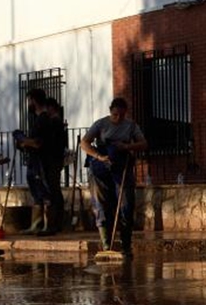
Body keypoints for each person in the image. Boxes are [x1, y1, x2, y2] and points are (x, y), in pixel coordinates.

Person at [80, 97, 148, 256]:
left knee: (125, 204)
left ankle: (126, 245)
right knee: (100, 204)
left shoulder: (131, 126)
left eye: (121, 115)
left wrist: (127, 146)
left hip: (121, 167)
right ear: (111, 111)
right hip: (101, 167)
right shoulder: (100, 124)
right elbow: (84, 143)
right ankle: (106, 245)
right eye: (115, 115)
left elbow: (143, 143)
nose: (118, 118)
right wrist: (98, 156)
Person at [17, 95, 67, 235]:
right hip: (46, 161)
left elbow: (41, 143)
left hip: (49, 161)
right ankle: (40, 225)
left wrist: (25, 141)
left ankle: (51, 225)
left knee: (50, 192)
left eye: (29, 101)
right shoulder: (49, 121)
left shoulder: (51, 122)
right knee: (44, 192)